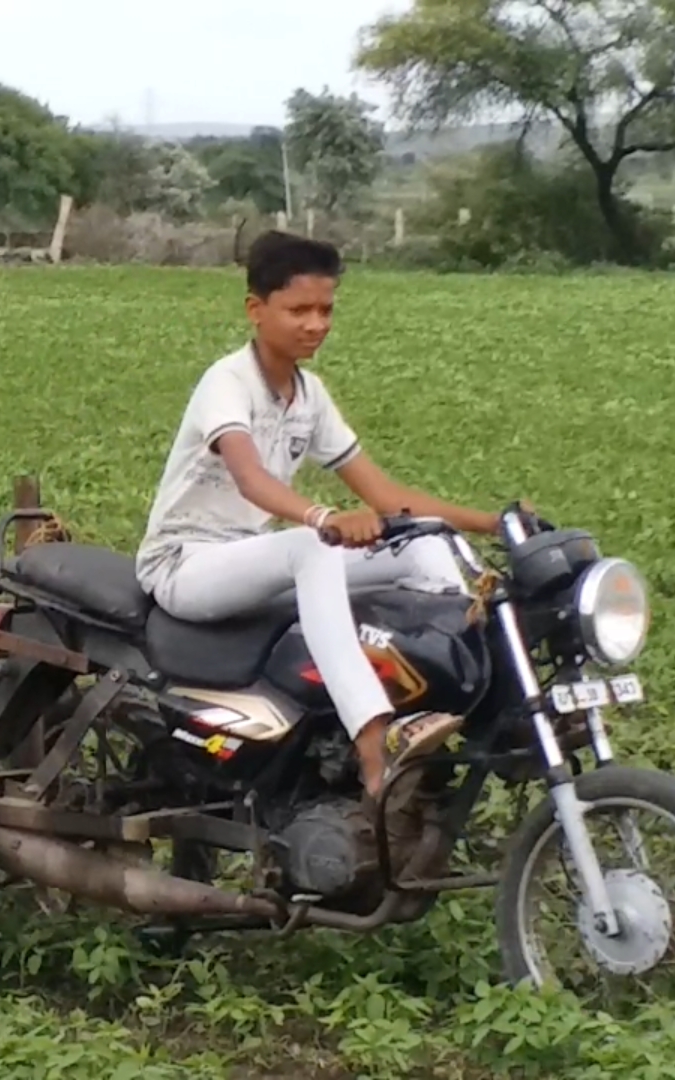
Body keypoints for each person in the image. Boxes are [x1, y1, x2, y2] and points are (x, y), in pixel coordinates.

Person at [134, 231, 503, 802]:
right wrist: (322, 517)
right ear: (256, 310)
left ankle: (441, 700)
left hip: (250, 564)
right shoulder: (227, 382)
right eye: (298, 310)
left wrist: (491, 523)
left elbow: (385, 496)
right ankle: (373, 741)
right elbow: (251, 478)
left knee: (427, 546)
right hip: (185, 565)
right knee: (312, 548)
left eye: (325, 310)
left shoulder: (310, 395)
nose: (316, 324)